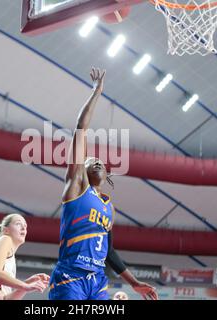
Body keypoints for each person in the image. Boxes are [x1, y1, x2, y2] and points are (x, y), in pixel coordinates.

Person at [48, 68, 159, 300]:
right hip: (71, 275)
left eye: (100, 162)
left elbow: (109, 251)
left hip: (98, 279)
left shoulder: (109, 206)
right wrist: (96, 92)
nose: (96, 162)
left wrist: (134, 283)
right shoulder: (77, 188)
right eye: (90, 161)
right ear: (82, 170)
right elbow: (81, 128)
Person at [0, 213, 49, 299]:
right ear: (6, 230)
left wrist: (28, 283)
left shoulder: (11, 259)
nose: (23, 228)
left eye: (25, 226)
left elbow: (6, 299)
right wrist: (24, 286)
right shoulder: (5, 239)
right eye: (18, 224)